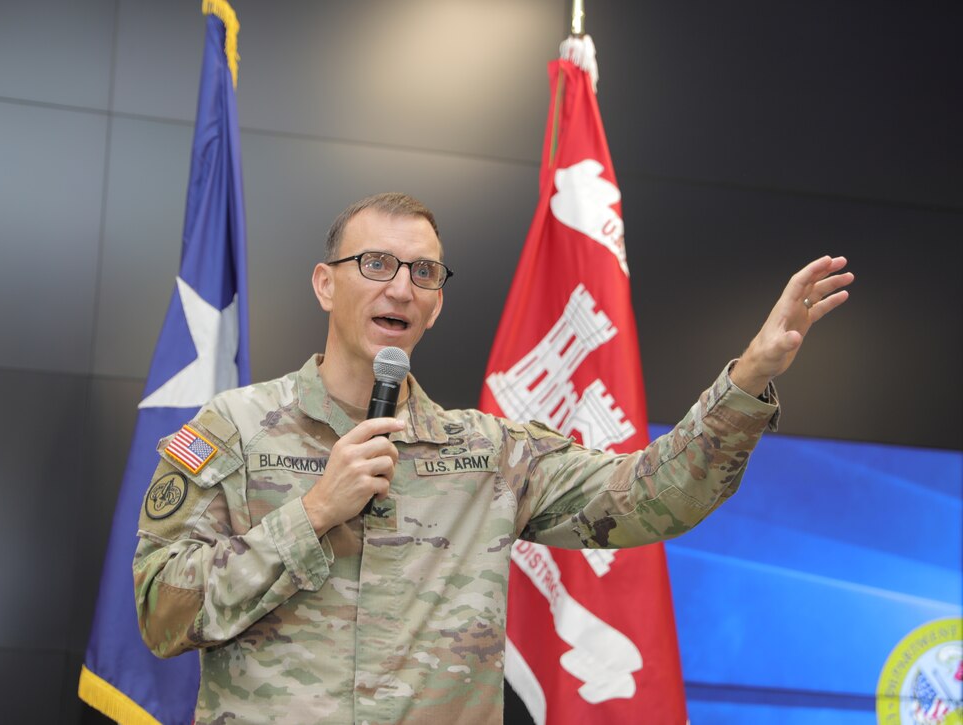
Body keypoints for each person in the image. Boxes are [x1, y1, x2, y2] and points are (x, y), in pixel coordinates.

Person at [133, 192, 852, 724]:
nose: (401, 286)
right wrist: (314, 512)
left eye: (423, 272)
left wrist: (749, 377)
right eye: (376, 263)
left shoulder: (489, 455)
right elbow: (160, 610)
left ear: (437, 303)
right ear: (327, 283)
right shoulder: (235, 428)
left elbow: (650, 495)